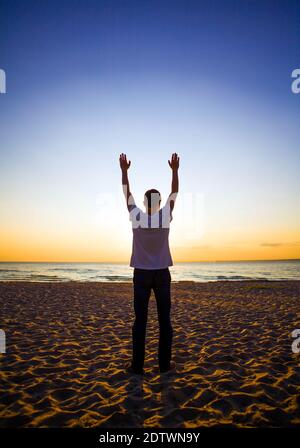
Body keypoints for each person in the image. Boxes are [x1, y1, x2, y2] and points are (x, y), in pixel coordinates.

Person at [119, 152, 180, 375]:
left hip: (142, 275)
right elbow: (175, 192)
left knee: (140, 321)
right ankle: (164, 365)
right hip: (162, 274)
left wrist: (124, 171)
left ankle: (137, 366)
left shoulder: (137, 216)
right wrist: (174, 171)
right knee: (165, 320)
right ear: (160, 203)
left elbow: (126, 193)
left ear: (144, 203)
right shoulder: (165, 215)